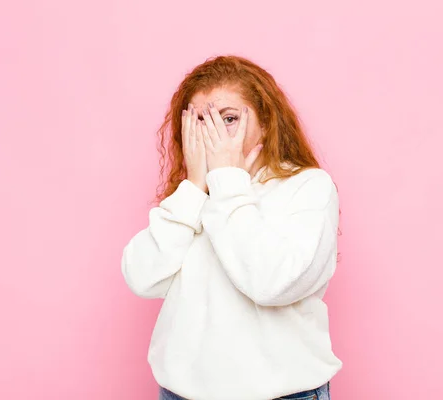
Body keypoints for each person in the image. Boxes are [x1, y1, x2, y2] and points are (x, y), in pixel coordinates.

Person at [121, 55, 342, 400]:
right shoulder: (193, 196)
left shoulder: (308, 187)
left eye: (228, 119)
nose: (212, 135)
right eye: (198, 122)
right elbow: (142, 277)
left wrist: (227, 180)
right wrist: (194, 188)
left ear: (266, 123)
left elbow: (272, 282)